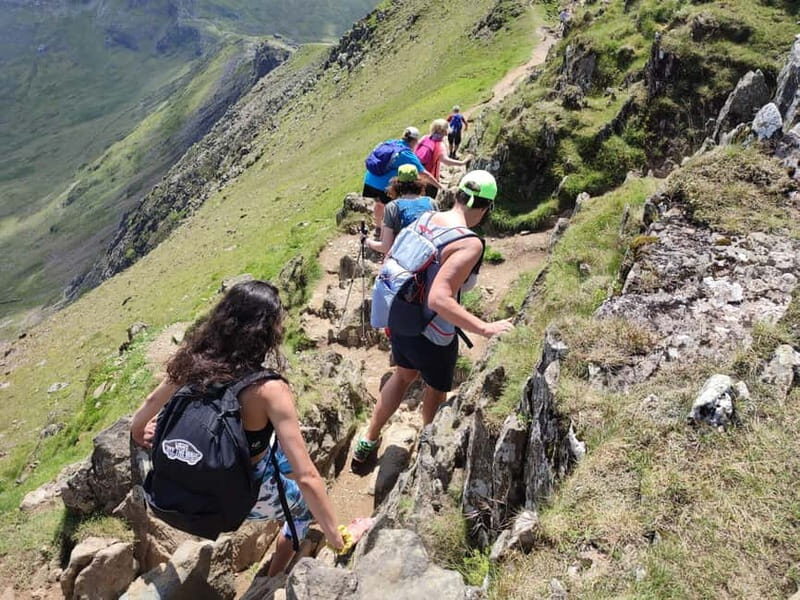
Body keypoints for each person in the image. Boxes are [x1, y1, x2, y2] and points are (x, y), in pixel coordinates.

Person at [131, 281, 346, 576]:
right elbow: (307, 476)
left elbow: (151, 401)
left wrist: (137, 430)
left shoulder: (193, 358)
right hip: (244, 493)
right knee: (303, 508)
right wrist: (338, 540)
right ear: (266, 330)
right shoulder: (268, 388)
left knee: (280, 459)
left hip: (198, 475)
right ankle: (273, 576)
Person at [353, 171, 514, 464]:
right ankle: (429, 447)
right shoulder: (470, 243)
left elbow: (392, 260)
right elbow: (439, 298)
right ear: (486, 207)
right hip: (434, 332)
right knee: (436, 388)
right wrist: (485, 328)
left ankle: (369, 438)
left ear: (457, 196)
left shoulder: (425, 219)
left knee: (402, 376)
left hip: (401, 317)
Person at [363, 127, 442, 236]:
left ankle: (378, 228)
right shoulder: (406, 154)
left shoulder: (391, 143)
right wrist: (439, 186)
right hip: (384, 185)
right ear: (414, 141)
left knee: (379, 204)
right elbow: (424, 174)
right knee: (390, 208)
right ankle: (387, 234)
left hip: (370, 179)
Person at [366, 164, 438, 255]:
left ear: (396, 184)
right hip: (428, 256)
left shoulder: (392, 207)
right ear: (419, 182)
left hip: (404, 259)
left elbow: (385, 247)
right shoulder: (431, 202)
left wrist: (367, 241)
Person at [415, 119, 468, 197]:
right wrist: (462, 163)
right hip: (431, 181)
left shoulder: (425, 138)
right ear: (444, 131)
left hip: (416, 177)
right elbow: (447, 162)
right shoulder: (439, 145)